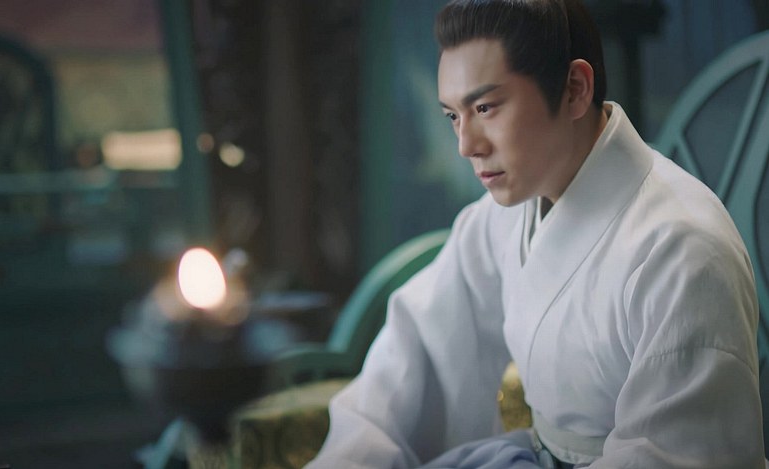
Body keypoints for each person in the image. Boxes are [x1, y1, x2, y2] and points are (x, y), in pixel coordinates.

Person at [307, 0, 765, 467]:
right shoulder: (511, 210)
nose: (466, 145)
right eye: (453, 116)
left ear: (574, 89)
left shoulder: (681, 248)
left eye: (485, 107)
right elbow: (420, 351)